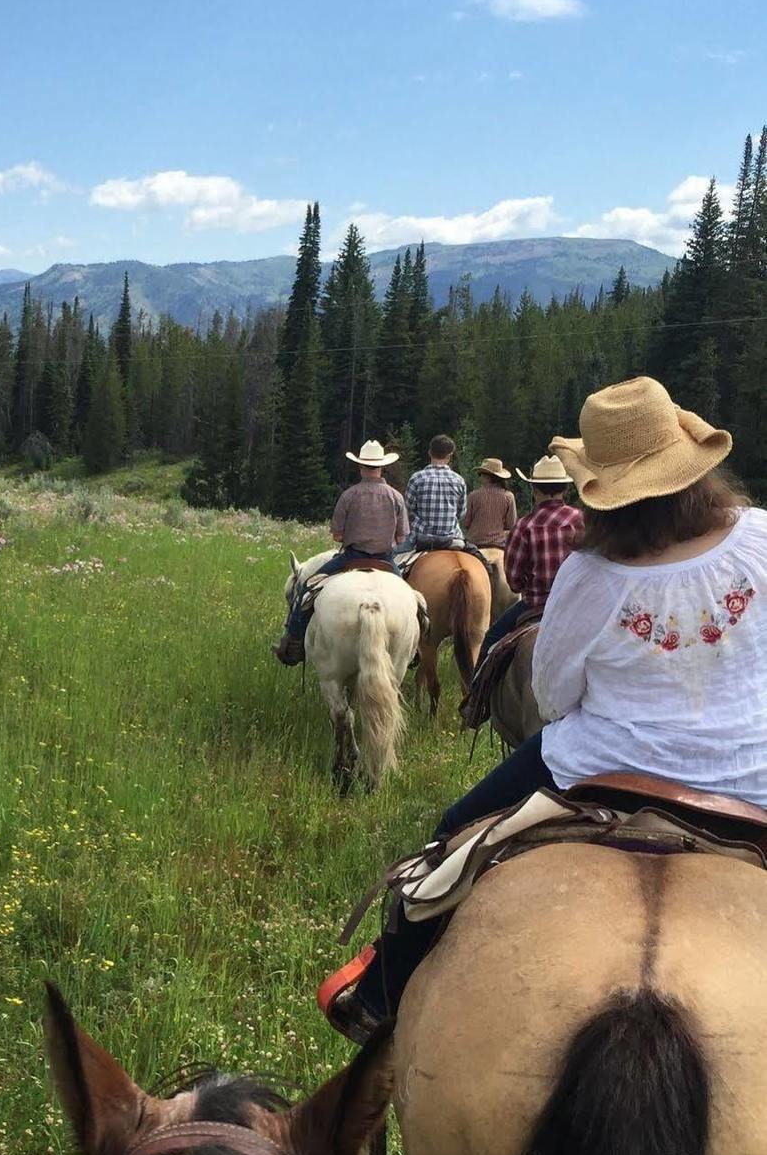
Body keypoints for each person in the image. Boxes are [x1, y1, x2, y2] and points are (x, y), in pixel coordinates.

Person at [320, 375, 767, 1038]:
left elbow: (553, 694)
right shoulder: (758, 536)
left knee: (452, 837)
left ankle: (382, 994)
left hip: (602, 767)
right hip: (750, 777)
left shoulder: (592, 573)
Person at [272, 440, 409, 666]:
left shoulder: (349, 495)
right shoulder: (396, 497)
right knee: (413, 600)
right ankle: (413, 650)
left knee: (306, 591)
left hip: (351, 557)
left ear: (361, 467)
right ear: (381, 467)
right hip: (385, 560)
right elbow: (402, 537)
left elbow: (336, 535)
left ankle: (293, 643)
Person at [477, 455, 585, 661]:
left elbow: (515, 582)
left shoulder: (524, 526)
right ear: (565, 489)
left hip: (535, 606)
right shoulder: (581, 521)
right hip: (576, 604)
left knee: (490, 640)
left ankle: (476, 691)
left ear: (534, 490)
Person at [404, 435, 492, 571]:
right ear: (450, 456)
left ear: (429, 452)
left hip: (421, 538)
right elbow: (461, 513)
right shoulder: (459, 480)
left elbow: (409, 507)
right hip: (453, 539)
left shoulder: (416, 478)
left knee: (394, 562)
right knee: (485, 566)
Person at [461, 457, 517, 549]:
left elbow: (466, 523)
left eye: (480, 474)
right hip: (498, 542)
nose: (479, 476)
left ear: (487, 477)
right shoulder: (509, 496)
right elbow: (511, 524)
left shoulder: (473, 495)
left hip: (475, 542)